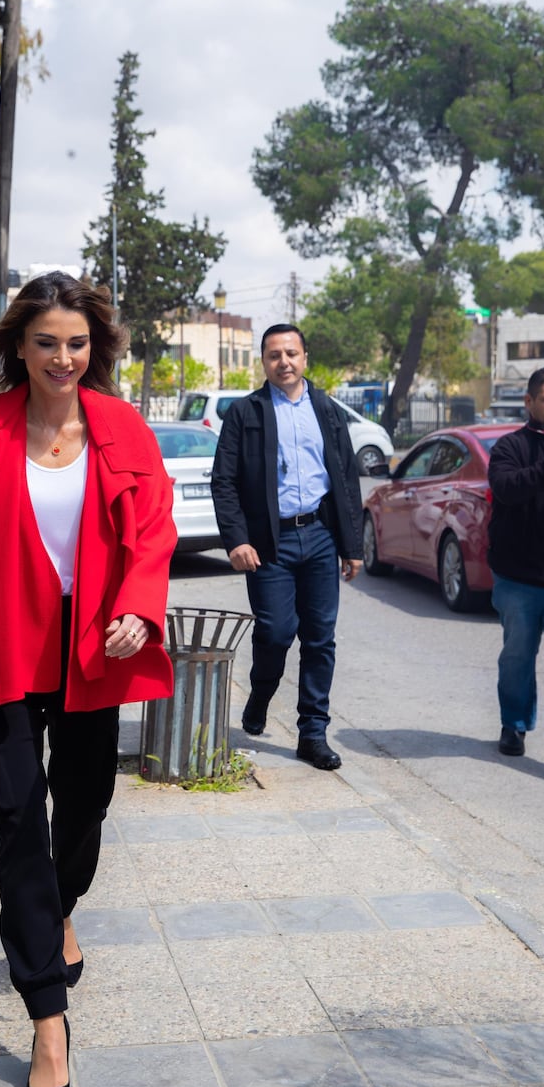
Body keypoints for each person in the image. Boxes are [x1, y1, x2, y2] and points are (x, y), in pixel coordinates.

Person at [0, 271, 176, 1087]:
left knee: (84, 809)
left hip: (93, 645)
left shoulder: (123, 427)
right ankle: (46, 1013)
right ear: (19, 347)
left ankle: (60, 907)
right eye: (46, 343)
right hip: (1, 644)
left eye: (76, 343)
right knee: (15, 817)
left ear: (93, 347)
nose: (62, 358)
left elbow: (153, 530)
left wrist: (140, 608)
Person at [211, 324, 363, 770]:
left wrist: (351, 546)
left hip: (318, 535)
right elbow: (224, 481)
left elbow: (347, 481)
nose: (284, 362)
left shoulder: (328, 411)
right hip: (268, 542)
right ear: (264, 362)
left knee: (320, 638)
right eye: (275, 355)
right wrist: (236, 540)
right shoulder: (246, 412)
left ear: (305, 357)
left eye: (291, 353)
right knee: (275, 632)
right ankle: (261, 694)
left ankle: (312, 733)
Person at [487, 366, 544, 777]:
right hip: (518, 580)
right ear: (530, 402)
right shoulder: (509, 447)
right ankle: (514, 725)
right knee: (517, 660)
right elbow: (509, 489)